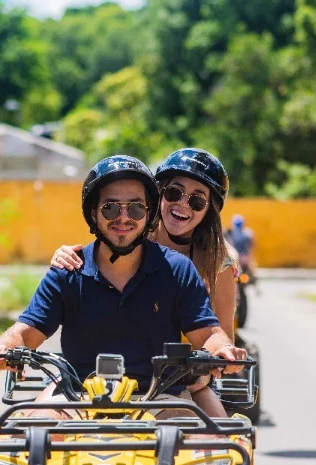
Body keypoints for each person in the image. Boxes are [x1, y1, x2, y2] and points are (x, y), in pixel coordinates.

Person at [0, 155, 247, 418]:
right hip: (76, 393)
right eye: (110, 208)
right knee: (29, 437)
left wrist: (221, 351)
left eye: (135, 208)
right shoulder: (69, 269)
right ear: (92, 213)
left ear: (147, 212)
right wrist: (2, 348)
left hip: (163, 392)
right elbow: (26, 332)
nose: (123, 218)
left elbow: (211, 333)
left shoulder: (185, 268)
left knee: (216, 448)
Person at [49, 148, 238, 408]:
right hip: (110, 370)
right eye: (174, 192)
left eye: (196, 201)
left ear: (209, 210)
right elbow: (100, 252)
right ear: (157, 194)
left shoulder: (220, 261)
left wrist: (205, 371)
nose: (182, 204)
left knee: (217, 439)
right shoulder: (134, 233)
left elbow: (221, 334)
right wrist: (66, 256)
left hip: (182, 375)